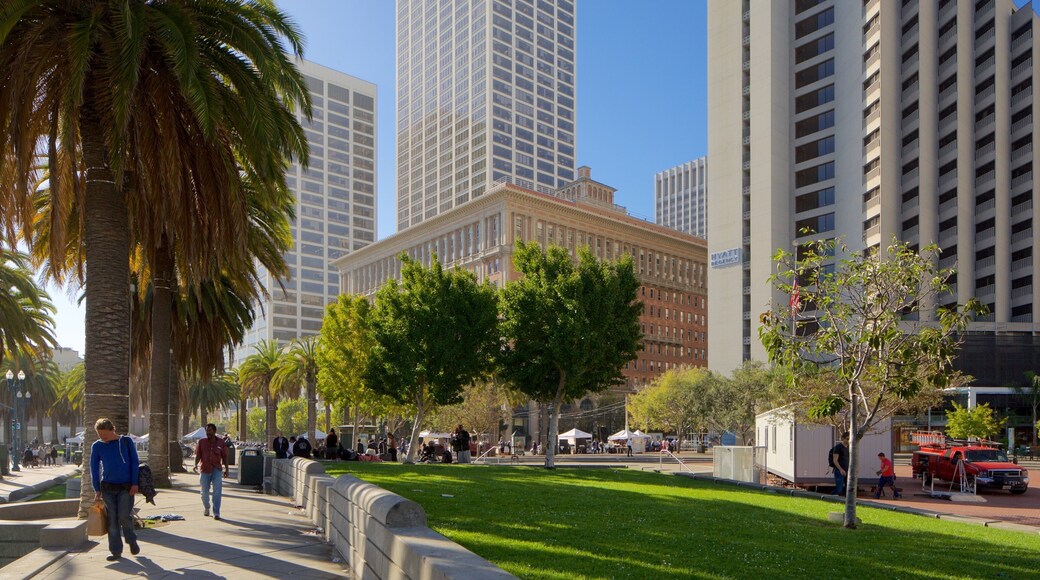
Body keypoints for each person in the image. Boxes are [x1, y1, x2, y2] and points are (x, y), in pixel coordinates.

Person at [90, 418, 140, 561]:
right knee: (112, 520)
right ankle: (115, 551)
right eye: (99, 434)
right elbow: (94, 468)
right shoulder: (97, 446)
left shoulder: (126, 441)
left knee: (124, 516)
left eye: (104, 434)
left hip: (126, 487)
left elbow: (134, 462)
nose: (102, 437)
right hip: (107, 488)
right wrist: (96, 488)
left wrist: (135, 483)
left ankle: (131, 540)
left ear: (112, 430)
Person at [193, 423, 229, 520]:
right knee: (204, 492)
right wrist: (195, 464)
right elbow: (198, 455)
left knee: (217, 492)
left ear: (214, 431)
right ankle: (207, 507)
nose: (208, 432)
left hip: (216, 469)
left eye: (209, 430)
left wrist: (226, 469)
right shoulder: (201, 442)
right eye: (207, 431)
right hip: (204, 469)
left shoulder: (221, 442)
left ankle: (216, 512)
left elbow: (225, 457)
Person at [830, 431, 850, 496]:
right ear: (843, 438)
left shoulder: (850, 448)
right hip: (839, 470)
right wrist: (841, 470)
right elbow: (835, 460)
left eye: (850, 439)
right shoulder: (838, 447)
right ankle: (833, 497)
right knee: (839, 489)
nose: (848, 440)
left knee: (848, 489)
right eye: (847, 439)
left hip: (848, 470)